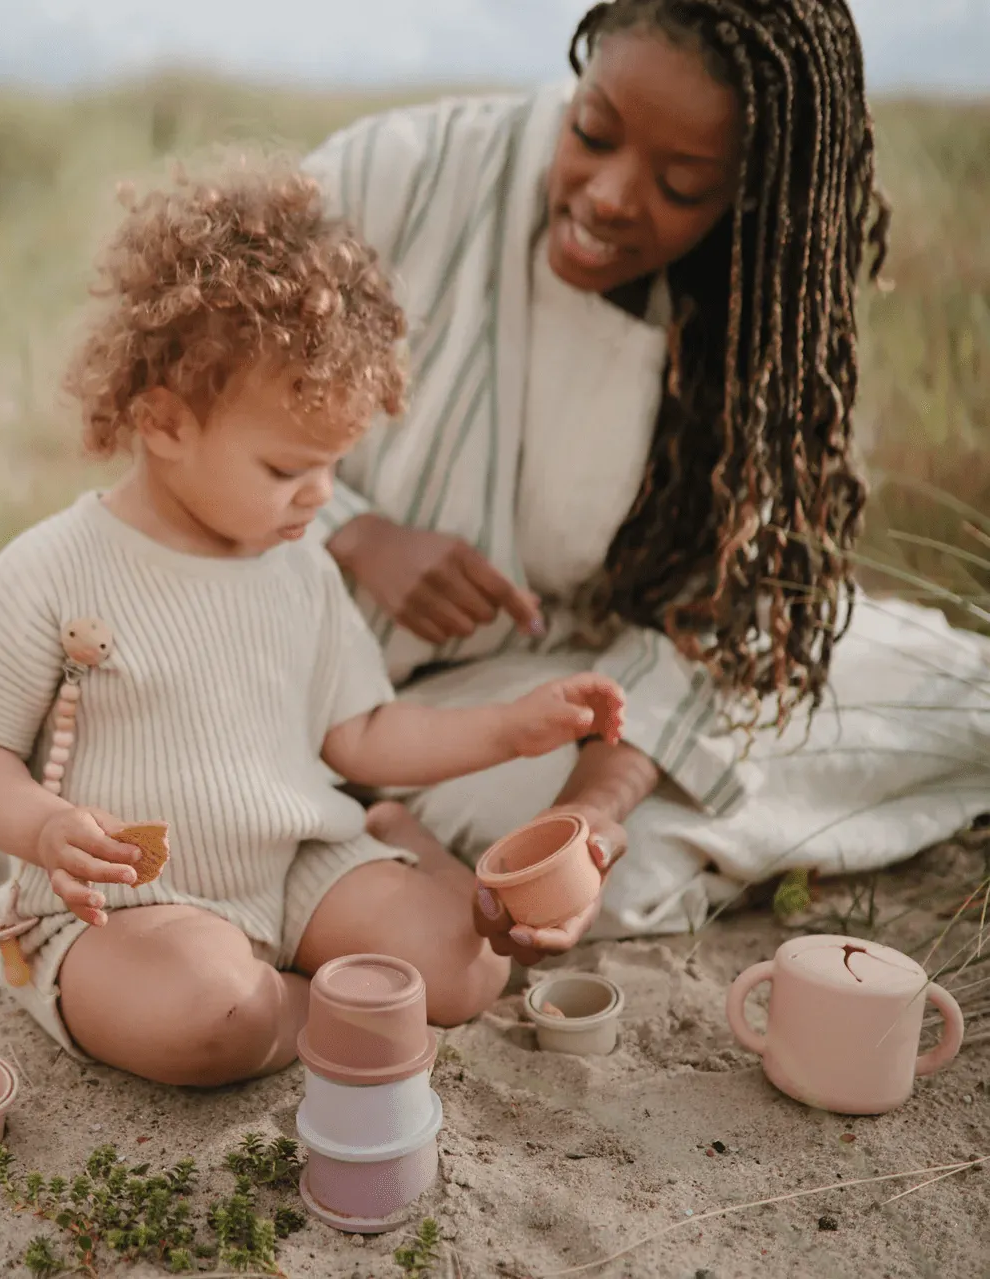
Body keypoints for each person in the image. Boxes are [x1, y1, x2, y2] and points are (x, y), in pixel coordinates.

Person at [301, 0, 990, 965]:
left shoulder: (754, 318)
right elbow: (176, 409)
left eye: (682, 184)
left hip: (526, 687)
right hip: (298, 673)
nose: (614, 196)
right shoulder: (387, 178)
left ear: (747, 197)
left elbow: (721, 612)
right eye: (591, 134)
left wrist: (593, 811)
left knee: (945, 697)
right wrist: (350, 530)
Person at [0, 163, 626, 1087]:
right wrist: (44, 826)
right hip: (124, 902)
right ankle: (303, 1004)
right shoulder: (53, 568)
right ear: (164, 422)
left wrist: (511, 728)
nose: (321, 498)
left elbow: (363, 731)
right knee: (206, 1016)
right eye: (288, 469)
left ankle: (323, 977)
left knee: (468, 968)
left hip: (293, 863)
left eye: (334, 467)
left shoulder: (300, 571)